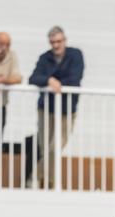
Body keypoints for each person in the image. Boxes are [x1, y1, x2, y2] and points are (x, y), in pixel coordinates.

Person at [28, 26, 84, 188]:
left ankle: (35, 178)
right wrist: (49, 80)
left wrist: (54, 80)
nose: (56, 45)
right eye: (53, 42)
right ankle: (49, 183)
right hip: (45, 109)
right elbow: (33, 78)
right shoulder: (44, 58)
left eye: (59, 41)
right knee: (44, 147)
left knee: (55, 148)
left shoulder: (75, 55)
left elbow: (75, 78)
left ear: (64, 41)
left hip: (67, 110)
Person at [0, 32, 21, 186]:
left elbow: (18, 77)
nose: (4, 48)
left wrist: (3, 80)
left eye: (7, 45)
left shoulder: (11, 56)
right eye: (1, 43)